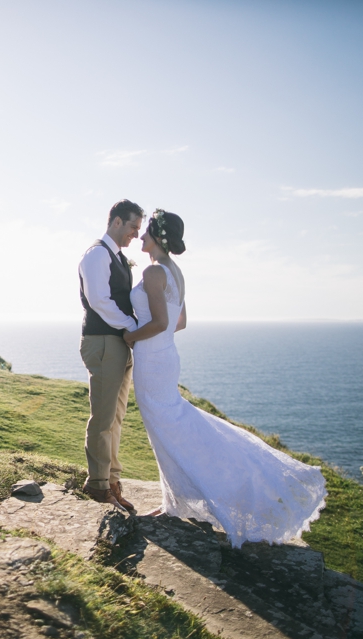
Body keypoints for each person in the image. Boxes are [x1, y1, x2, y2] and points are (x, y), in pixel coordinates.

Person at [124, 209, 327, 547]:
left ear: (158, 237)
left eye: (145, 232)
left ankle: (193, 496)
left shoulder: (154, 271)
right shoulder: (176, 272)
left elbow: (161, 323)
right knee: (170, 428)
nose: (141, 237)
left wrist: (128, 337)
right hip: (164, 357)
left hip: (152, 362)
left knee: (167, 429)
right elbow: (180, 322)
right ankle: (174, 502)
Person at [78, 199, 145, 509]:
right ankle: (97, 485)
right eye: (133, 227)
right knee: (103, 418)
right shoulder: (96, 255)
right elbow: (100, 301)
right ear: (116, 222)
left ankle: (112, 480)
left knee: (116, 418)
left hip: (118, 343)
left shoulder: (117, 257)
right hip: (103, 341)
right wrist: (132, 326)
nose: (135, 234)